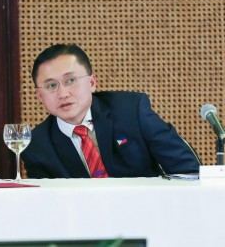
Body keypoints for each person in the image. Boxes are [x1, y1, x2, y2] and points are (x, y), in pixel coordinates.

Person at [21, 44, 200, 179]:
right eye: (51, 85)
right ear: (39, 95)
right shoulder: (36, 146)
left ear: (92, 83)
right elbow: (47, 205)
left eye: (71, 80)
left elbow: (188, 171)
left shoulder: (131, 111)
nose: (63, 93)